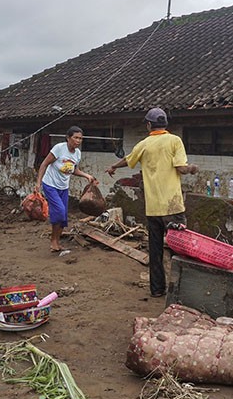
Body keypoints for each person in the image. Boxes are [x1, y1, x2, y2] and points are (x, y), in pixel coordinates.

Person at [105, 108, 198, 297]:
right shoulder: (174, 140)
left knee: (155, 251)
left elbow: (128, 159)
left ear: (148, 125)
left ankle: (157, 290)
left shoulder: (144, 144)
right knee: (178, 250)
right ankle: (180, 291)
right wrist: (191, 169)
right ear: (165, 125)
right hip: (173, 206)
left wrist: (113, 166)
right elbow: (181, 168)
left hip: (153, 208)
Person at [35, 126, 97, 252]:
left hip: (64, 187)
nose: (78, 141)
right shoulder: (59, 148)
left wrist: (87, 176)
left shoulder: (77, 154)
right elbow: (44, 164)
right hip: (50, 184)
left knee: (63, 216)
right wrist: (38, 182)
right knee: (59, 210)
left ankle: (56, 242)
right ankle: (53, 240)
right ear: (68, 138)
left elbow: (73, 169)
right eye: (75, 138)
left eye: (80, 138)